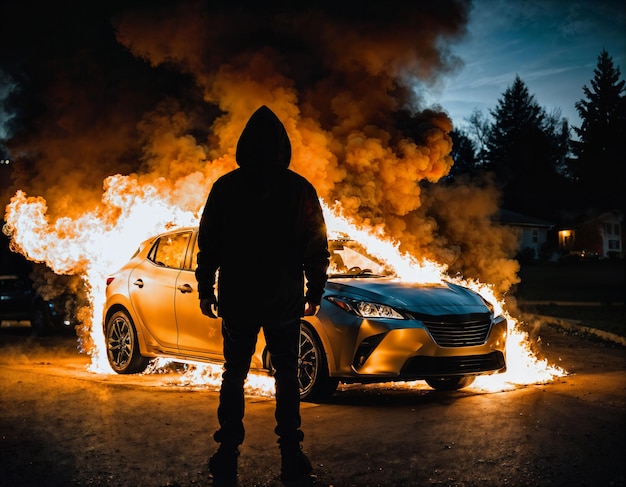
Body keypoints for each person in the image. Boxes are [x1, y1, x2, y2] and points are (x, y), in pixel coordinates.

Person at [195, 105, 329, 486]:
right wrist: (314, 290)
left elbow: (209, 245)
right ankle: (291, 454)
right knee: (286, 373)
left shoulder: (226, 187)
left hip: (237, 295)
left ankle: (226, 453)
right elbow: (316, 246)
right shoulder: (300, 188)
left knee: (234, 373)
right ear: (283, 147)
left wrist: (206, 290)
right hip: (283, 297)